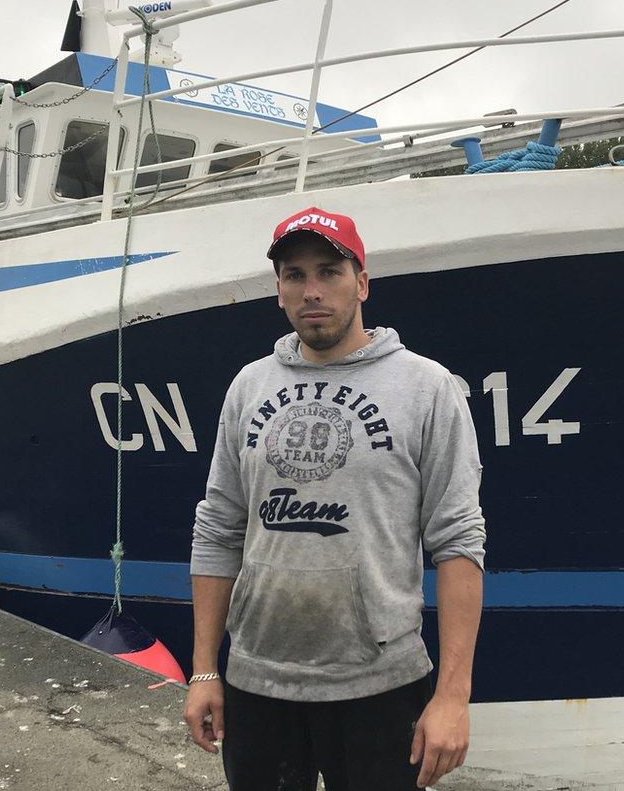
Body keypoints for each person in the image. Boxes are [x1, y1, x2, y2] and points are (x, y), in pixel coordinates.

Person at [184, 205, 485, 791]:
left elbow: (458, 540)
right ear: (278, 291)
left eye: (329, 271)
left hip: (382, 688)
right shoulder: (249, 386)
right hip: (256, 684)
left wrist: (453, 695)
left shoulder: (427, 388)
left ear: (363, 282)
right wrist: (203, 671)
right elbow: (218, 528)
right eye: (294, 276)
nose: (312, 291)